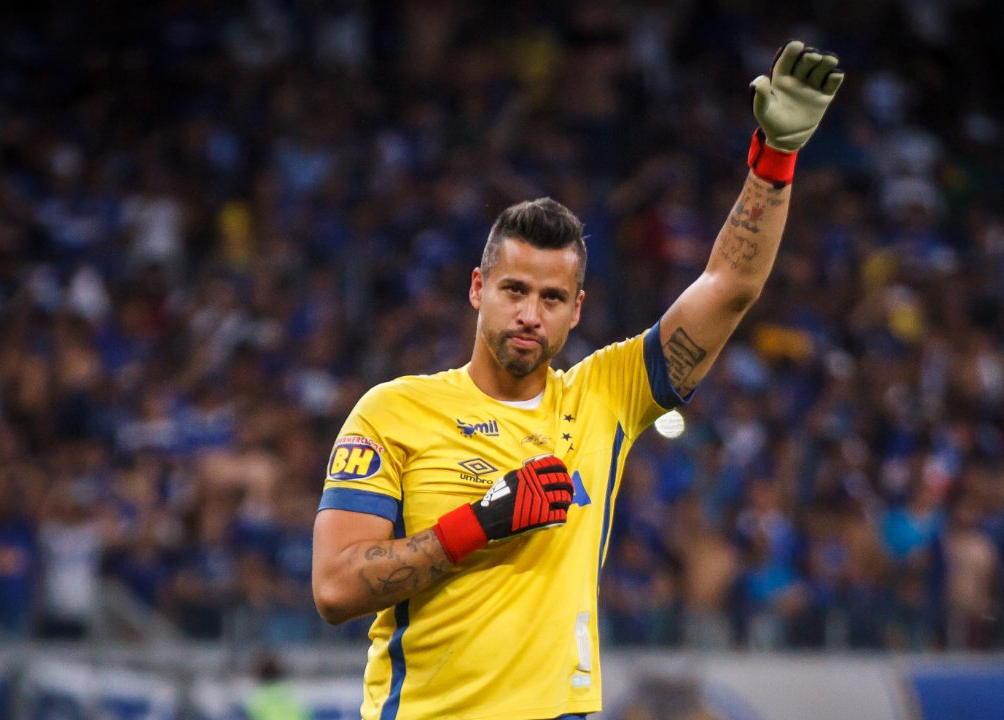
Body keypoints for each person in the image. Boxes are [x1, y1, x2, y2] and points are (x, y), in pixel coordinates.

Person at [312, 40, 844, 720]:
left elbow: (730, 286)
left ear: (577, 310)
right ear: (478, 289)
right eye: (514, 290)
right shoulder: (393, 412)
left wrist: (774, 161)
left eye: (552, 299)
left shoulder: (605, 395)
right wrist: (478, 525)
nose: (530, 314)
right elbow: (334, 589)